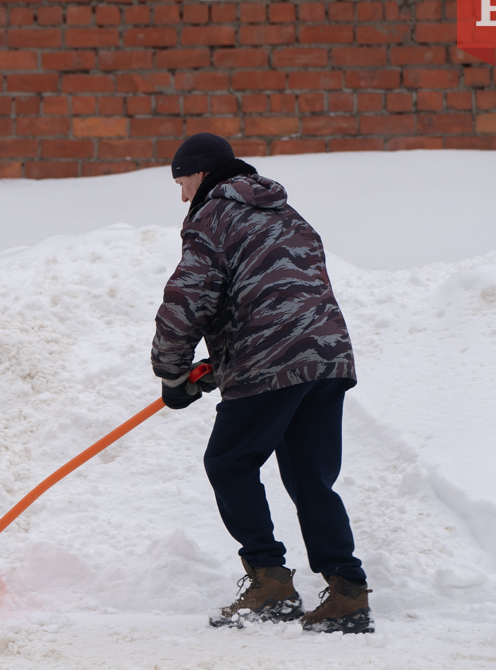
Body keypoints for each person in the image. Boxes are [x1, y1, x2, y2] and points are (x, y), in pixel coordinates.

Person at [151, 133, 372, 634]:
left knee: (228, 462)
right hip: (326, 357)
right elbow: (275, 292)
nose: (183, 196)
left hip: (272, 360)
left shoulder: (213, 217)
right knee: (309, 476)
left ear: (202, 173)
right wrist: (221, 358)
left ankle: (270, 581)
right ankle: (347, 592)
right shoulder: (288, 214)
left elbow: (186, 300)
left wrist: (172, 373)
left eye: (182, 182)